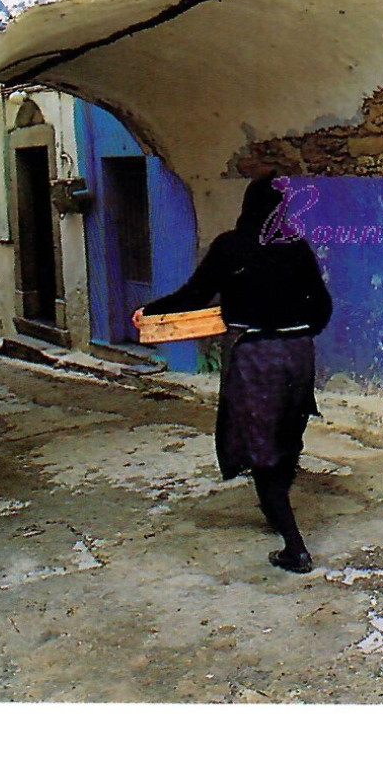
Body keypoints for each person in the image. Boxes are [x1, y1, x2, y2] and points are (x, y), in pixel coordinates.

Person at [135, 174, 333, 573]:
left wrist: (150, 312)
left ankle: (294, 546)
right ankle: (275, 511)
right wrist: (296, 331)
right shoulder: (295, 248)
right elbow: (322, 306)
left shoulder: (230, 247)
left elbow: (193, 295)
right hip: (298, 355)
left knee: (261, 447)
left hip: (256, 358)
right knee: (286, 437)